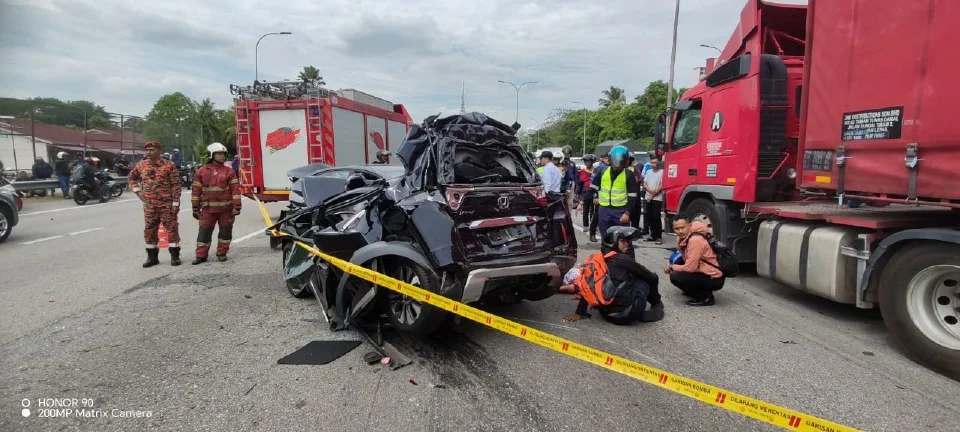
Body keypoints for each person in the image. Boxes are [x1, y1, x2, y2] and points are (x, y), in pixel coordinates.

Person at [562, 226, 665, 325]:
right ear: (613, 242)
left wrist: (579, 312)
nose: (627, 244)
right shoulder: (623, 259)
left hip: (607, 314)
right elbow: (651, 277)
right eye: (623, 241)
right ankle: (657, 305)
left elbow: (587, 284)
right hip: (626, 315)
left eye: (628, 241)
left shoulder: (597, 259)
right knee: (644, 279)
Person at [129, 141, 182, 268]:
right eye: (147, 150)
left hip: (166, 204)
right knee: (149, 229)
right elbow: (132, 177)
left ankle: (175, 256)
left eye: (151, 150)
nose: (148, 152)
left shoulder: (169, 165)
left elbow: (176, 184)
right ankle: (152, 257)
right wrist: (137, 191)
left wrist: (175, 202)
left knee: (171, 228)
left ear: (159, 151)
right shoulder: (141, 165)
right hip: (149, 205)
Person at [579, 145, 639, 255]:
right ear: (610, 159)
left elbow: (633, 197)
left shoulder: (628, 174)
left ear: (625, 161)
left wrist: (627, 213)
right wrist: (582, 201)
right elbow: (593, 188)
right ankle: (608, 264)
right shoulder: (602, 171)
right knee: (606, 240)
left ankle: (630, 265)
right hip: (604, 211)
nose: (618, 165)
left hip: (621, 212)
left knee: (625, 241)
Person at [191, 142, 241, 264]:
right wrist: (195, 208)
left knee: (225, 232)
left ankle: (222, 253)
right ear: (212, 155)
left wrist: (237, 206)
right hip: (208, 210)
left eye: (224, 154)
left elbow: (235, 190)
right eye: (219, 153)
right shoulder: (201, 172)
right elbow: (196, 191)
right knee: (204, 233)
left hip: (226, 210)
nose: (223, 156)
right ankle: (201, 255)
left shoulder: (229, 171)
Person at [665, 216, 725, 306]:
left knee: (675, 276)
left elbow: (690, 268)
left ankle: (705, 297)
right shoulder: (683, 237)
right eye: (677, 229)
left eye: (683, 227)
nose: (680, 231)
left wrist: (671, 267)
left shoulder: (695, 240)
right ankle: (693, 290)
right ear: (673, 229)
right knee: (677, 262)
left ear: (689, 225)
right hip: (703, 270)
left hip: (714, 277)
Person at [641, 155, 665, 245]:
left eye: (655, 162)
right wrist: (649, 191)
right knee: (649, 217)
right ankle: (652, 235)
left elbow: (662, 185)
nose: (653, 164)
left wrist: (653, 194)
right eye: (652, 162)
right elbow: (645, 183)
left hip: (657, 198)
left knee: (656, 217)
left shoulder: (662, 172)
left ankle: (658, 236)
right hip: (648, 197)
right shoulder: (648, 171)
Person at [577, 154, 598, 242]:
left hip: (595, 195)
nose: (586, 163)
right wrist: (578, 194)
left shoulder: (597, 171)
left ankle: (593, 228)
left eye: (588, 161)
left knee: (594, 213)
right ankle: (586, 225)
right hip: (585, 194)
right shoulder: (582, 171)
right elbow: (580, 184)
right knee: (585, 211)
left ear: (592, 162)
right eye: (585, 161)